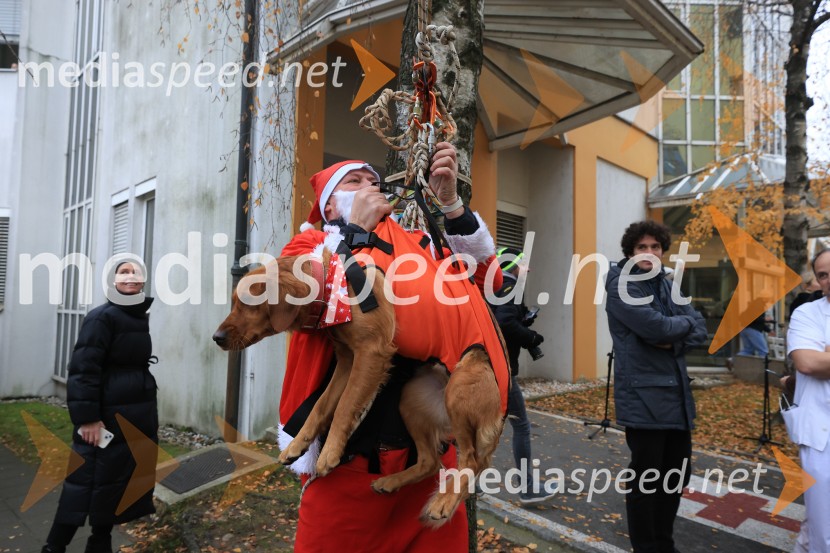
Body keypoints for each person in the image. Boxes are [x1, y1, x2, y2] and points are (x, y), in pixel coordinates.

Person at [278, 142, 509, 552]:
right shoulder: (308, 246)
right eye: (354, 181)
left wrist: (451, 202)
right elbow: (306, 302)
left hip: (424, 461)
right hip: (347, 468)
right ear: (330, 206)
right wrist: (357, 233)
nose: (371, 186)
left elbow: (488, 282)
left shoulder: (417, 244)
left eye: (374, 180)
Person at [604, 220, 707, 553]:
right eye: (641, 247)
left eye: (655, 247)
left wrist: (673, 335)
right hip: (644, 396)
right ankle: (647, 548)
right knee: (647, 480)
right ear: (630, 252)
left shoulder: (665, 283)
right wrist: (675, 329)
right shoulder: (623, 284)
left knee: (677, 476)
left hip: (676, 397)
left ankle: (665, 544)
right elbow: (657, 328)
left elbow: (698, 328)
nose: (649, 253)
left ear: (663, 252)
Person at [42, 261, 158, 553]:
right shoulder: (102, 317)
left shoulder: (135, 316)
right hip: (104, 418)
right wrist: (88, 419)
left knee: (113, 484)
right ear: (112, 281)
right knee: (83, 485)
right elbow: (83, 370)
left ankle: (100, 543)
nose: (131, 276)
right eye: (123, 272)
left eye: (136, 272)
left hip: (132, 416)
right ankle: (53, 547)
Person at [488, 246, 552, 504]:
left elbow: (501, 319)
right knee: (521, 426)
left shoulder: (490, 287)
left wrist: (521, 321)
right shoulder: (509, 286)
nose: (528, 268)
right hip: (501, 369)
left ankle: (471, 483)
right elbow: (504, 322)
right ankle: (527, 486)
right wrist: (531, 337)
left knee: (482, 428)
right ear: (513, 266)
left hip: (487, 366)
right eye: (524, 264)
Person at [784, 248, 830, 553]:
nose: (829, 279)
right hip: (821, 433)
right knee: (825, 530)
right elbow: (808, 364)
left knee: (816, 524)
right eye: (823, 275)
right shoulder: (807, 313)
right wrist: (819, 357)